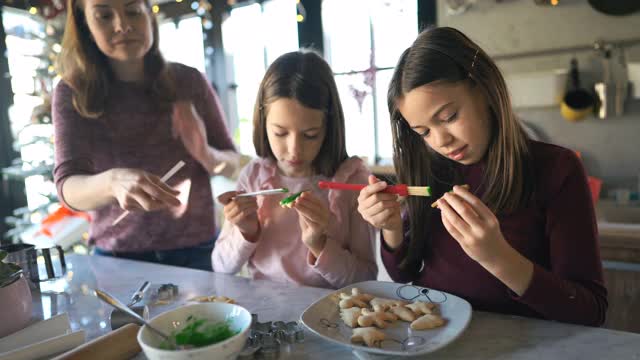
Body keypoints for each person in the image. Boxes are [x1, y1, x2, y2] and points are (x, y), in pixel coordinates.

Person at [357, 27, 607, 326]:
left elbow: (589, 311)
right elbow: (405, 274)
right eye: (423, 132)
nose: (440, 141)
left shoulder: (557, 169)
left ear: (484, 90)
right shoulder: (432, 170)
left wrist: (497, 256)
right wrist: (391, 228)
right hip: (437, 339)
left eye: (449, 117)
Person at [52, 0, 238, 270]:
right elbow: (67, 187)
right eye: (104, 15)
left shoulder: (189, 81)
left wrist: (206, 154)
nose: (123, 26)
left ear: (149, 14)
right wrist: (112, 182)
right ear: (85, 25)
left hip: (197, 251)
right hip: (118, 257)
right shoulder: (71, 91)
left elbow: (233, 164)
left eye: (133, 11)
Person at [212, 50, 377, 289]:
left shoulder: (351, 181)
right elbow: (221, 267)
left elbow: (365, 280)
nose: (294, 151)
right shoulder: (255, 176)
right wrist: (246, 231)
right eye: (280, 133)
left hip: (329, 316)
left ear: (328, 128)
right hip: (264, 310)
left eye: (310, 135)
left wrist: (319, 243)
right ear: (263, 123)